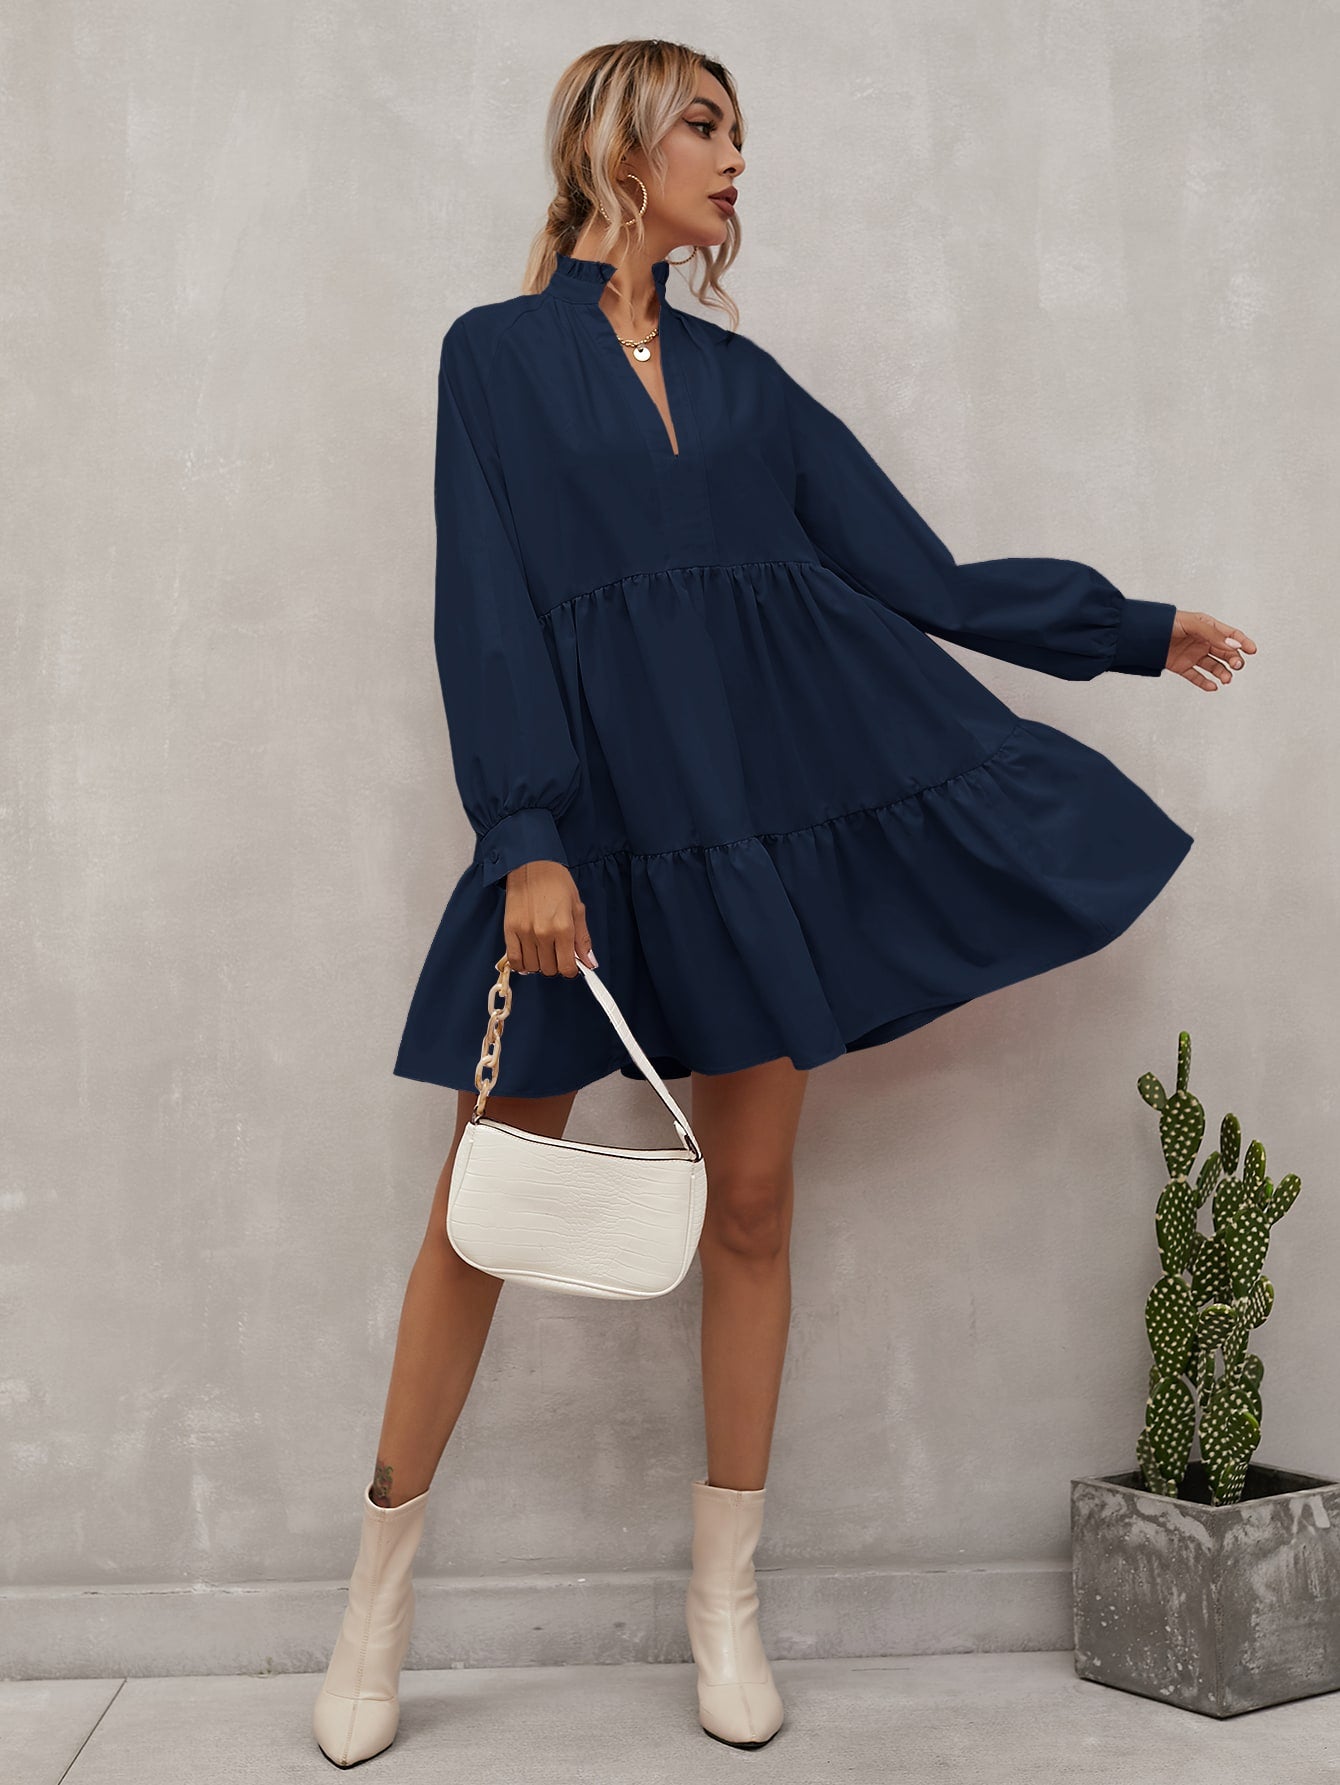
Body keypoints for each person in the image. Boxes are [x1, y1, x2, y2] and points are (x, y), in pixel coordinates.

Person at [313, 38, 1255, 1767]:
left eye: (739, 132)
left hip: (745, 840)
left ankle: (724, 1605)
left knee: (750, 1206)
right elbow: (486, 601)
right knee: (477, 1212)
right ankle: (374, 1598)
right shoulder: (494, 358)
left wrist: (1128, 628)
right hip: (579, 844)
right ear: (619, 147)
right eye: (706, 126)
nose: (736, 160)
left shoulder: (748, 388)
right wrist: (525, 832)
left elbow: (920, 573)